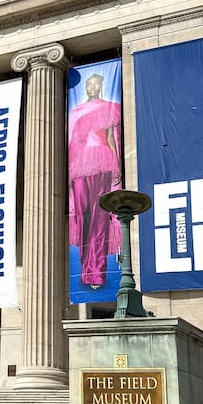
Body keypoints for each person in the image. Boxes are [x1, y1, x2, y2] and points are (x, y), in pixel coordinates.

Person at [68, 72, 122, 289]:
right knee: (83, 218)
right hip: (80, 166)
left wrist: (117, 165)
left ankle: (96, 273)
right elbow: (74, 141)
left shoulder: (109, 108)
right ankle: (85, 268)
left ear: (100, 86)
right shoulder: (76, 110)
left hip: (102, 161)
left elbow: (110, 138)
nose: (91, 87)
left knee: (100, 218)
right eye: (88, 84)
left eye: (95, 84)